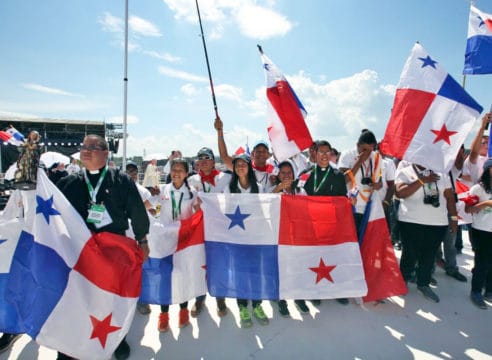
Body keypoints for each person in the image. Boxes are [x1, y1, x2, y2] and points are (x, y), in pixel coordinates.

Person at [56, 135, 150, 360]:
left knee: (112, 297)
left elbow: (137, 211)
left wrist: (143, 241)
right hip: (81, 254)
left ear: (106, 153)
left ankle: (117, 339)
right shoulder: (68, 183)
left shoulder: (122, 181)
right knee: (78, 297)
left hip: (113, 253)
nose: (86, 150)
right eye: (84, 147)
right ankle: (68, 346)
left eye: (93, 147)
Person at [395, 161, 458, 303]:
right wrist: (421, 181)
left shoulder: (440, 172)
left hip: (437, 223)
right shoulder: (405, 172)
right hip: (411, 221)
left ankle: (423, 284)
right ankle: (403, 281)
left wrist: (453, 218)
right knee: (409, 254)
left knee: (429, 255)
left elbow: (449, 196)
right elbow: (400, 193)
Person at [297, 140, 349, 305]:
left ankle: (337, 291)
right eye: (321, 152)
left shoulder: (338, 175)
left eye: (328, 152)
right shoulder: (306, 174)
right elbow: (298, 198)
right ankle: (315, 291)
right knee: (314, 258)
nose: (325, 155)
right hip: (312, 225)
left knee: (334, 256)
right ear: (315, 153)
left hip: (332, 224)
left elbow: (343, 200)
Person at [155, 158, 200, 332]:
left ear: (187, 173)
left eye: (181, 170)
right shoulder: (162, 190)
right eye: (174, 169)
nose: (177, 173)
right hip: (165, 241)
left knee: (183, 277)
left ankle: (183, 311)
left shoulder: (193, 193)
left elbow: (199, 213)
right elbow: (148, 205)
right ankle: (164, 314)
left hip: (184, 241)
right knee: (165, 278)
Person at [224, 154, 269, 328]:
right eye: (237, 165)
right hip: (237, 240)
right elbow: (224, 211)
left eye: (244, 164)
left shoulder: (258, 188)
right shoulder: (230, 188)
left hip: (255, 239)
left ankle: (257, 305)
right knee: (240, 274)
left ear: (249, 167)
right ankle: (242, 307)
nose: (240, 167)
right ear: (234, 169)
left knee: (256, 273)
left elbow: (266, 210)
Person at [187, 147, 231, 318]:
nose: (204, 161)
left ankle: (220, 297)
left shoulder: (225, 178)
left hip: (220, 231)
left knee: (219, 265)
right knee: (199, 265)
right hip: (199, 231)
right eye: (200, 158)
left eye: (207, 158)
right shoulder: (190, 180)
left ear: (213, 161)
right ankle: (199, 298)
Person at [271, 160, 310, 316]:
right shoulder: (272, 190)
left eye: (289, 173)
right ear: (278, 175)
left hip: (296, 235)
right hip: (278, 236)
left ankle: (298, 296)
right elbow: (263, 205)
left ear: (294, 174)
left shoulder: (301, 191)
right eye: (283, 173)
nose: (286, 175)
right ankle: (281, 299)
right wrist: (276, 191)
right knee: (280, 268)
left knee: (297, 267)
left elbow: (307, 210)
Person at [215, 117, 277, 191]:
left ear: (268, 154)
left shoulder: (274, 171)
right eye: (258, 151)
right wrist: (220, 131)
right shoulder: (246, 167)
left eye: (264, 151)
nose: (261, 154)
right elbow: (224, 157)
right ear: (253, 153)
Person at [339, 129, 383, 233]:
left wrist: (377, 185)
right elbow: (343, 181)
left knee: (366, 245)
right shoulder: (347, 154)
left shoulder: (376, 157)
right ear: (358, 145)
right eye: (364, 149)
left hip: (370, 208)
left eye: (370, 149)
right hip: (352, 207)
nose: (367, 153)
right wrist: (359, 162)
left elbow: (380, 182)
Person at [465, 158, 492, 309]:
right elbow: (468, 209)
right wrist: (486, 203)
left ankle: (489, 290)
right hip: (482, 230)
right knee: (482, 262)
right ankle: (476, 291)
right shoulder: (478, 189)